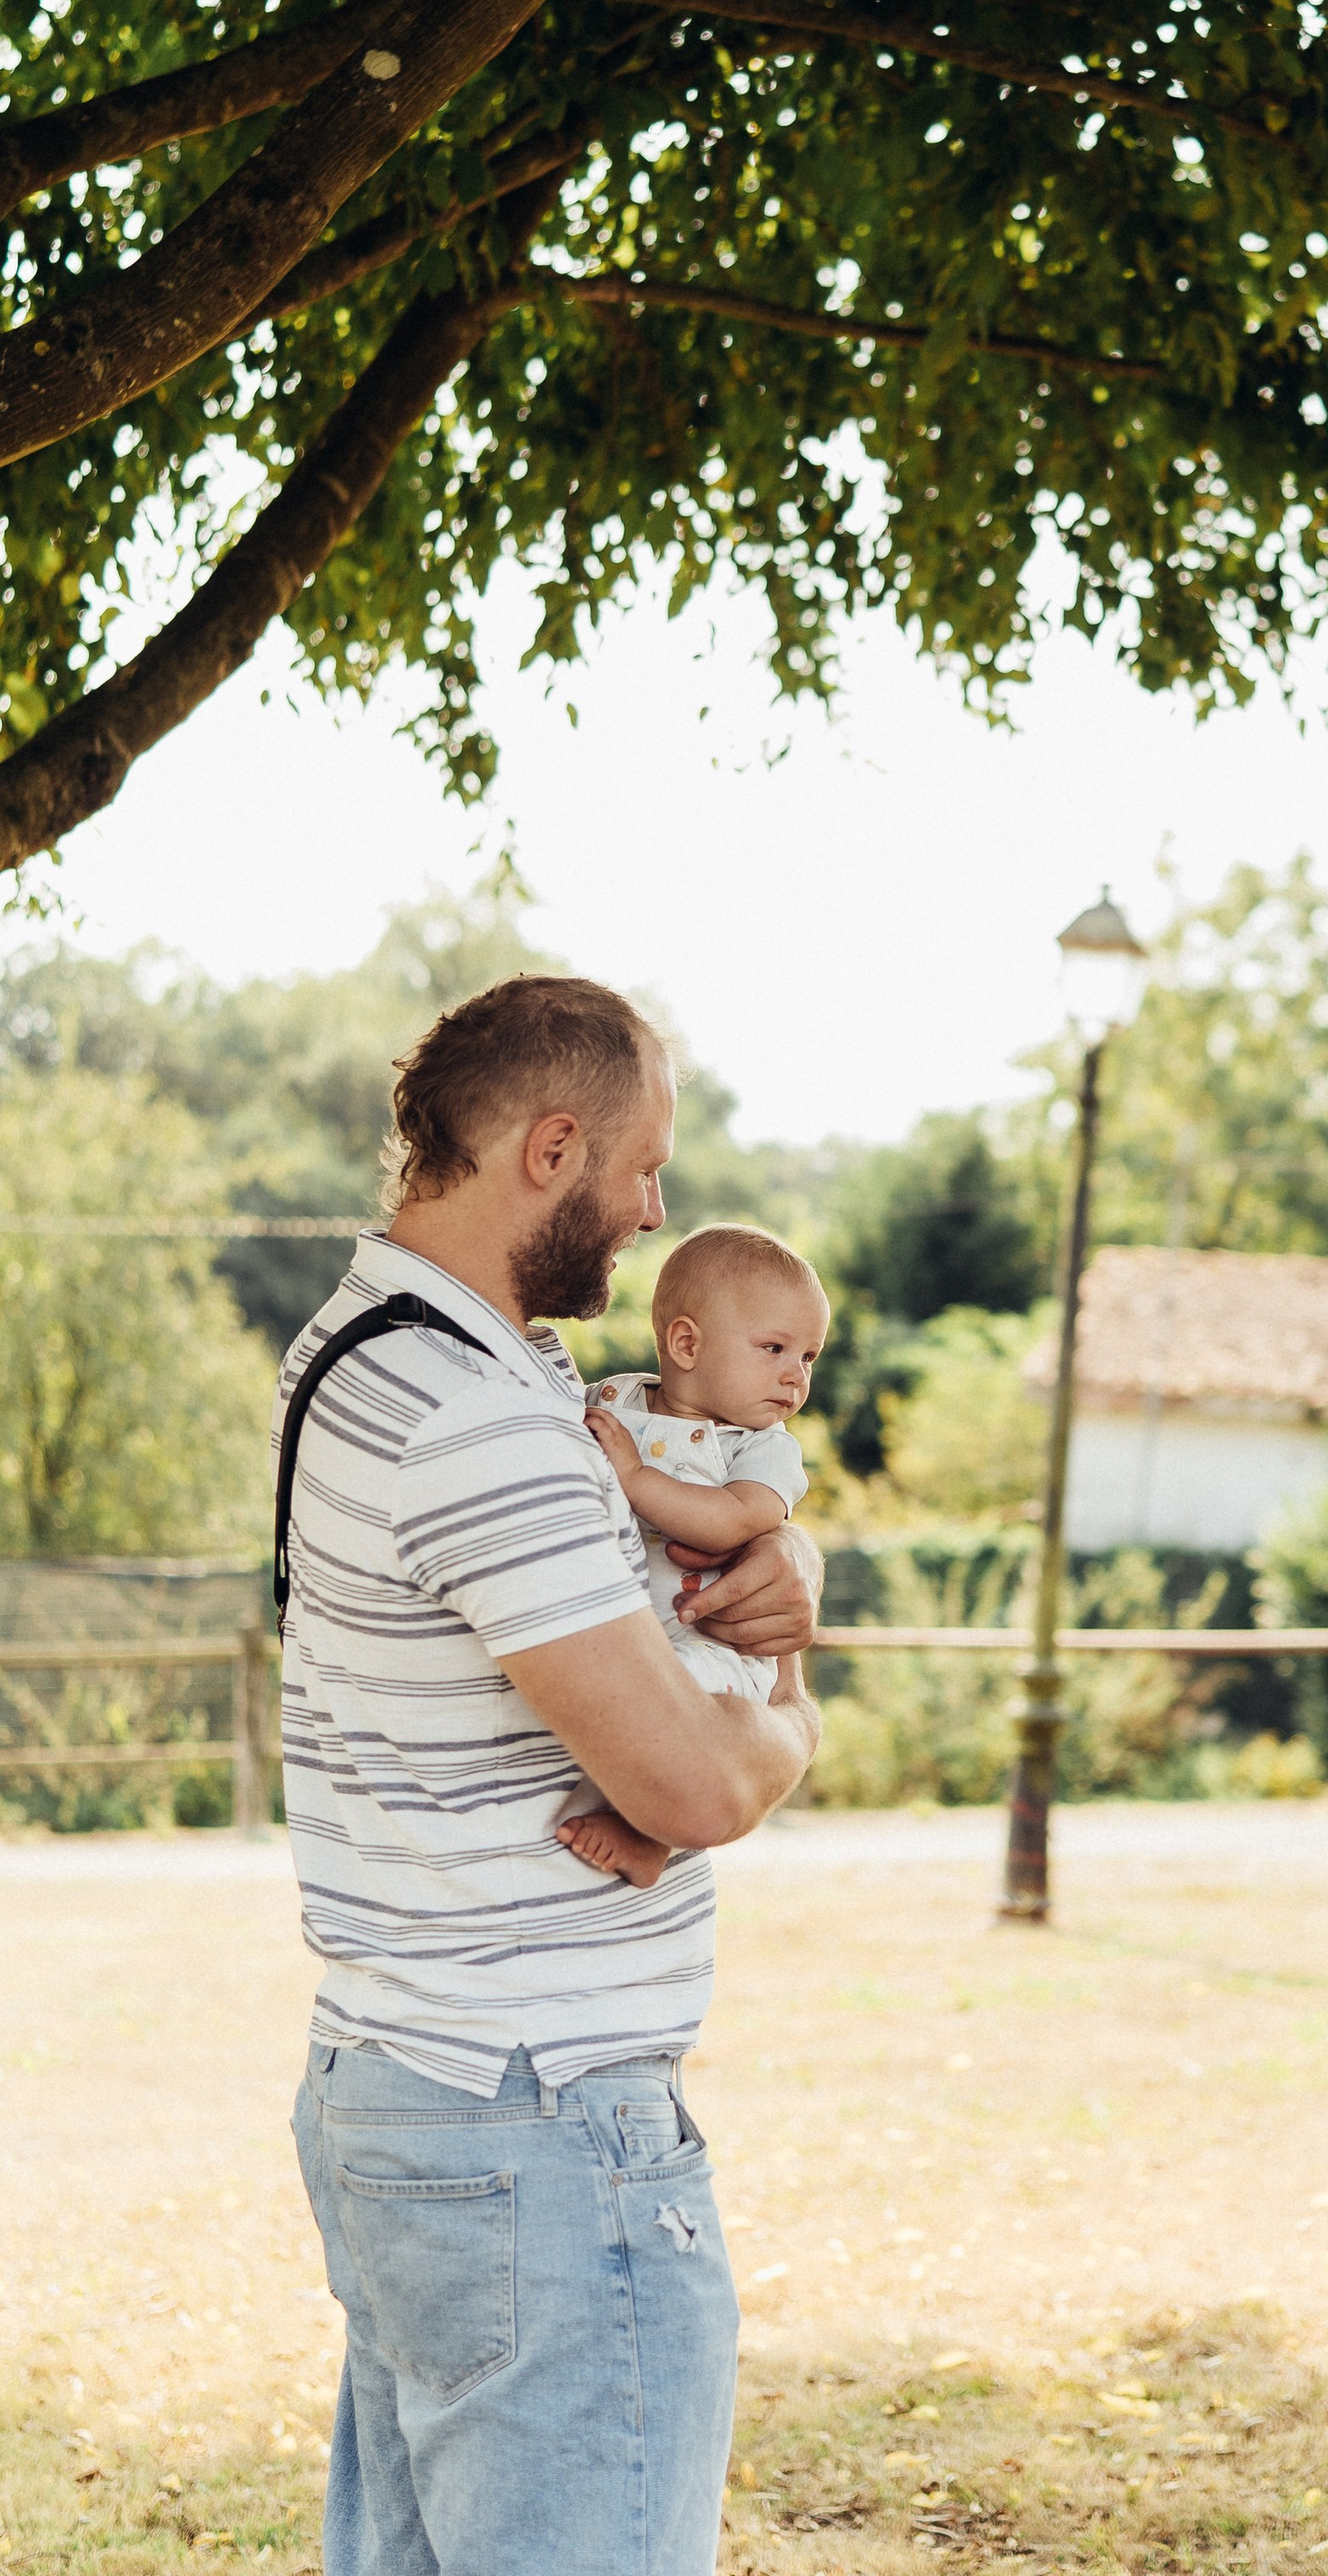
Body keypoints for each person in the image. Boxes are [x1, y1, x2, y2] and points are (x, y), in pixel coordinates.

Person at [277, 974, 823, 2576]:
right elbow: (696, 1791)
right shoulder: (477, 1418)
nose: (655, 1211)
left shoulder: (367, 1352)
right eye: (641, 1169)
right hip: (534, 2118)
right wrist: (790, 1704)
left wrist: (770, 1574)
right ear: (553, 1147)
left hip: (402, 2074)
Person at [559, 1222, 826, 1888]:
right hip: (630, 1630)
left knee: (688, 1707)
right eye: (775, 1349)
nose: (796, 1377)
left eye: (810, 1358)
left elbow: (732, 1522)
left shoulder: (763, 1449)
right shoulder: (613, 1398)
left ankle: (654, 1840)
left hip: (714, 1646)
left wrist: (636, 1480)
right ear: (685, 1343)